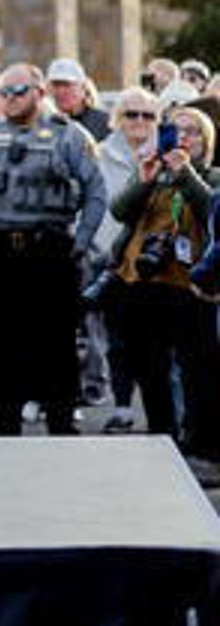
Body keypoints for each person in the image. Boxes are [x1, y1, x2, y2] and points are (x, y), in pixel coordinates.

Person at [0, 63, 107, 436]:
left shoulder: (71, 136)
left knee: (55, 347)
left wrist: (81, 243)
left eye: (17, 92)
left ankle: (60, 425)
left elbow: (96, 193)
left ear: (40, 93)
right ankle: (3, 428)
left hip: (48, 253)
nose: (8, 100)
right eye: (2, 93)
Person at [100, 107, 219, 462]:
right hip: (143, 283)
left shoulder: (211, 176)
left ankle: (203, 446)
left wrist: (186, 175)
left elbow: (212, 209)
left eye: (193, 131)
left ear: (206, 140)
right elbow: (120, 211)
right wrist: (145, 178)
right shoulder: (155, 173)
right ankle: (162, 438)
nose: (183, 137)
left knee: (199, 373)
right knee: (150, 370)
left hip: (192, 287)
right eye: (176, 129)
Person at [87, 87, 157, 432]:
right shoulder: (99, 154)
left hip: (160, 266)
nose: (139, 121)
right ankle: (123, 407)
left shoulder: (169, 154)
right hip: (112, 261)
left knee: (158, 344)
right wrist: (99, 250)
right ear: (117, 118)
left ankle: (162, 414)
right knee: (119, 341)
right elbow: (91, 207)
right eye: (131, 114)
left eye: (148, 115)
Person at [49, 58, 111, 142]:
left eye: (67, 85)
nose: (61, 91)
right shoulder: (46, 123)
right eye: (56, 85)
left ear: (83, 88)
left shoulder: (103, 122)